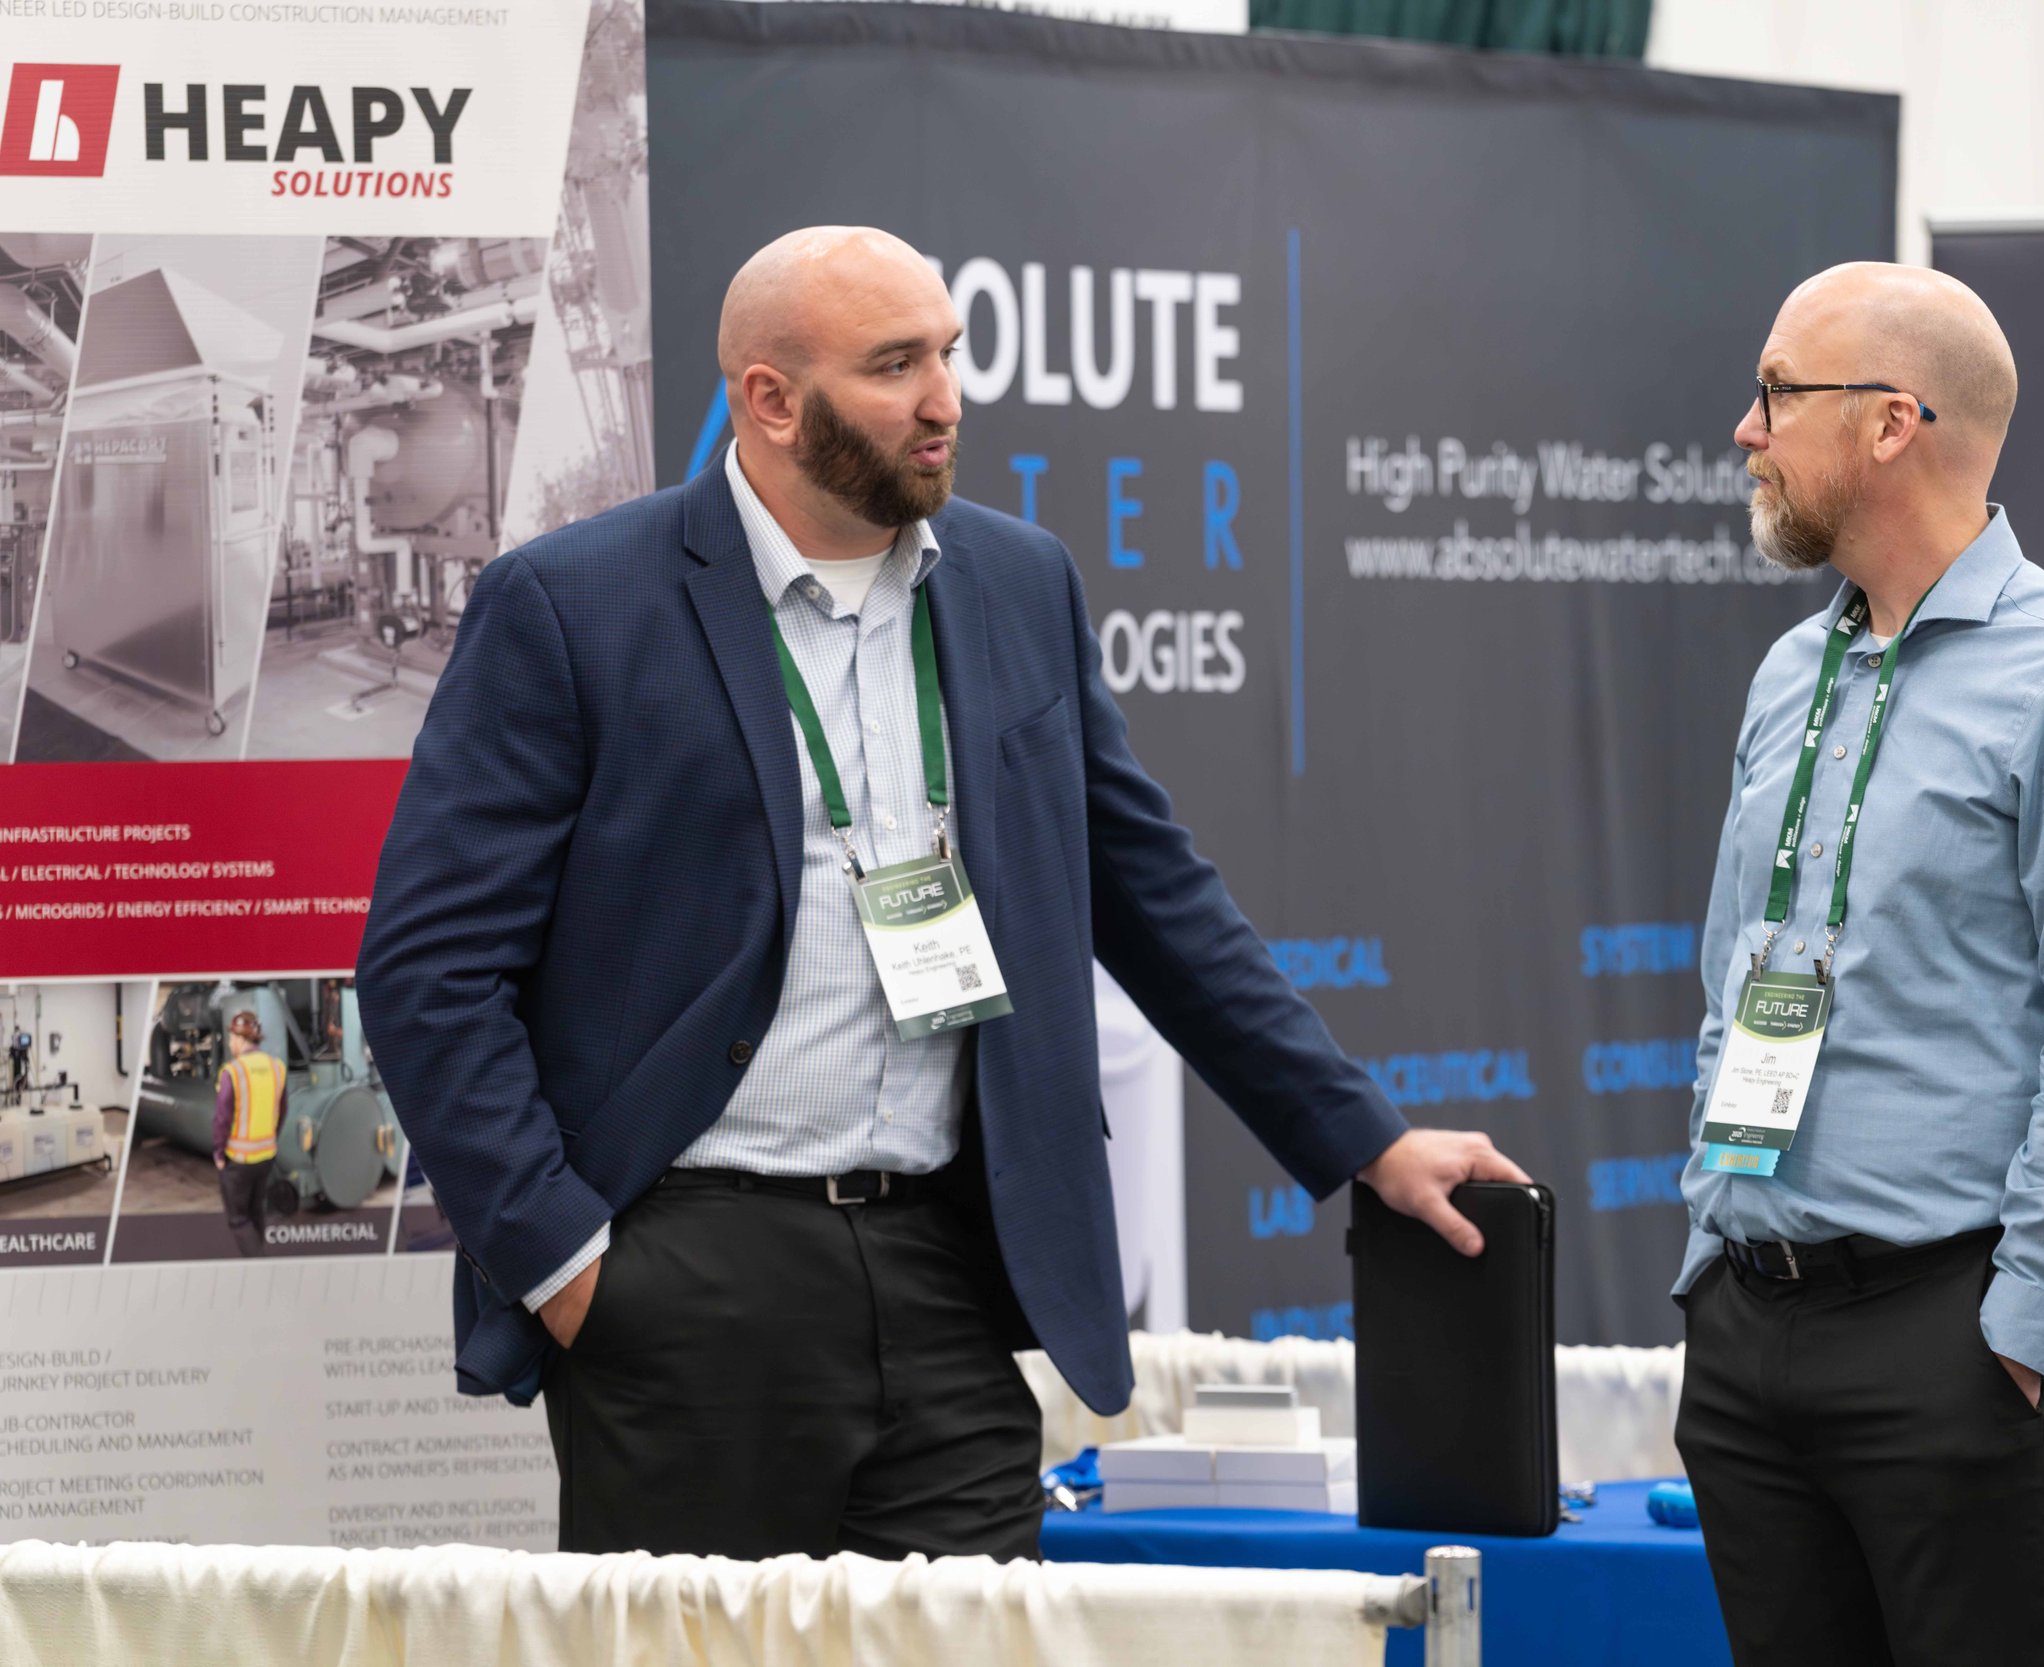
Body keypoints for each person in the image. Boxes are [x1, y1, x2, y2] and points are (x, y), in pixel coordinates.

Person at [357, 226, 1527, 1564]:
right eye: (894, 364)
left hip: (949, 1270)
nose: (944, 399)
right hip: (686, 1272)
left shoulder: (1018, 583)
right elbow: (428, 969)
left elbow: (1151, 890)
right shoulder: (575, 605)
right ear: (771, 400)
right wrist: (570, 1267)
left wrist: (1366, 1139)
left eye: (949, 354)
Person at [1673, 262, 2044, 1667]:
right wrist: (1710, 1258)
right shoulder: (1792, 671)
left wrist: (2021, 1327)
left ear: (1891, 421)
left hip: (1954, 1339)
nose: (1747, 427)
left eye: (1778, 391)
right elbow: (1734, 977)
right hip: (1751, 1330)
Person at [211, 1010, 285, 1257]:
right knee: (256, 1210)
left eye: (232, 1038)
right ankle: (257, 1256)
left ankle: (258, 1266)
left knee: (239, 1219)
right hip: (267, 1156)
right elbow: (282, 1109)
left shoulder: (232, 1071)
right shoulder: (277, 1067)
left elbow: (222, 1118)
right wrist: (271, 1139)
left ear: (240, 1039)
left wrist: (219, 1153)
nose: (230, 1043)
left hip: (239, 1161)